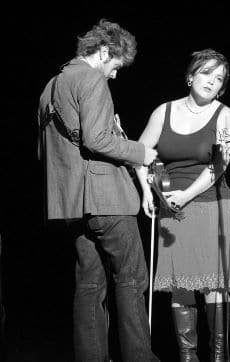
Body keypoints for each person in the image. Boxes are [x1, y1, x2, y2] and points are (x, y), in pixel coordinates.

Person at [37, 19, 159, 362]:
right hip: (106, 200)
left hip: (72, 205)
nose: (115, 75)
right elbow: (96, 138)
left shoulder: (50, 86)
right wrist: (140, 152)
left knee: (90, 285)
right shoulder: (90, 79)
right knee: (132, 279)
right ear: (104, 51)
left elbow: (45, 153)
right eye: (116, 66)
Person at [136, 49, 230, 362]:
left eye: (219, 78)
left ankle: (219, 357)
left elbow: (219, 167)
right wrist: (146, 192)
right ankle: (187, 356)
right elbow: (139, 154)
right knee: (181, 287)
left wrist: (186, 195)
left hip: (209, 205)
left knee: (213, 286)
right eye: (207, 73)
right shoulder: (163, 112)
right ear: (191, 75)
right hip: (172, 209)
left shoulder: (225, 114)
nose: (212, 81)